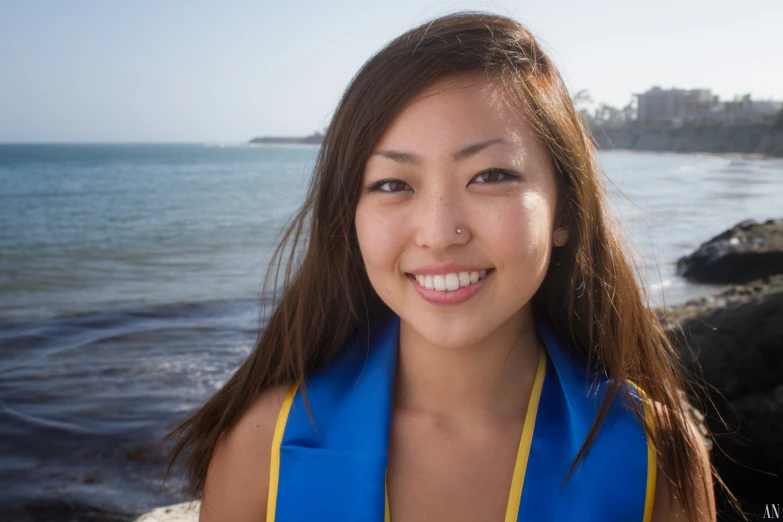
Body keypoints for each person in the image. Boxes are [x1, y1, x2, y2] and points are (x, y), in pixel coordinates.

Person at [163, 11, 732, 521]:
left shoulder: (651, 452)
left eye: (490, 176)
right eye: (392, 184)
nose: (439, 234)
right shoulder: (268, 443)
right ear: (350, 220)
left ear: (565, 208)